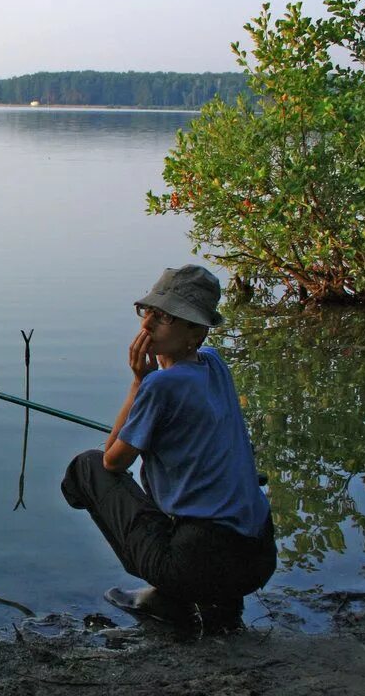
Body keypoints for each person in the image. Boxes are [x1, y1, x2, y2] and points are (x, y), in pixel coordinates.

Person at [60, 265, 276, 632]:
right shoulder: (215, 366)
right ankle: (221, 605)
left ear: (196, 331)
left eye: (164, 317)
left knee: (87, 468)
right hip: (258, 561)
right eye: (148, 312)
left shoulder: (160, 386)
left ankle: (169, 595)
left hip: (197, 563)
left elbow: (112, 461)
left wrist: (138, 384)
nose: (146, 326)